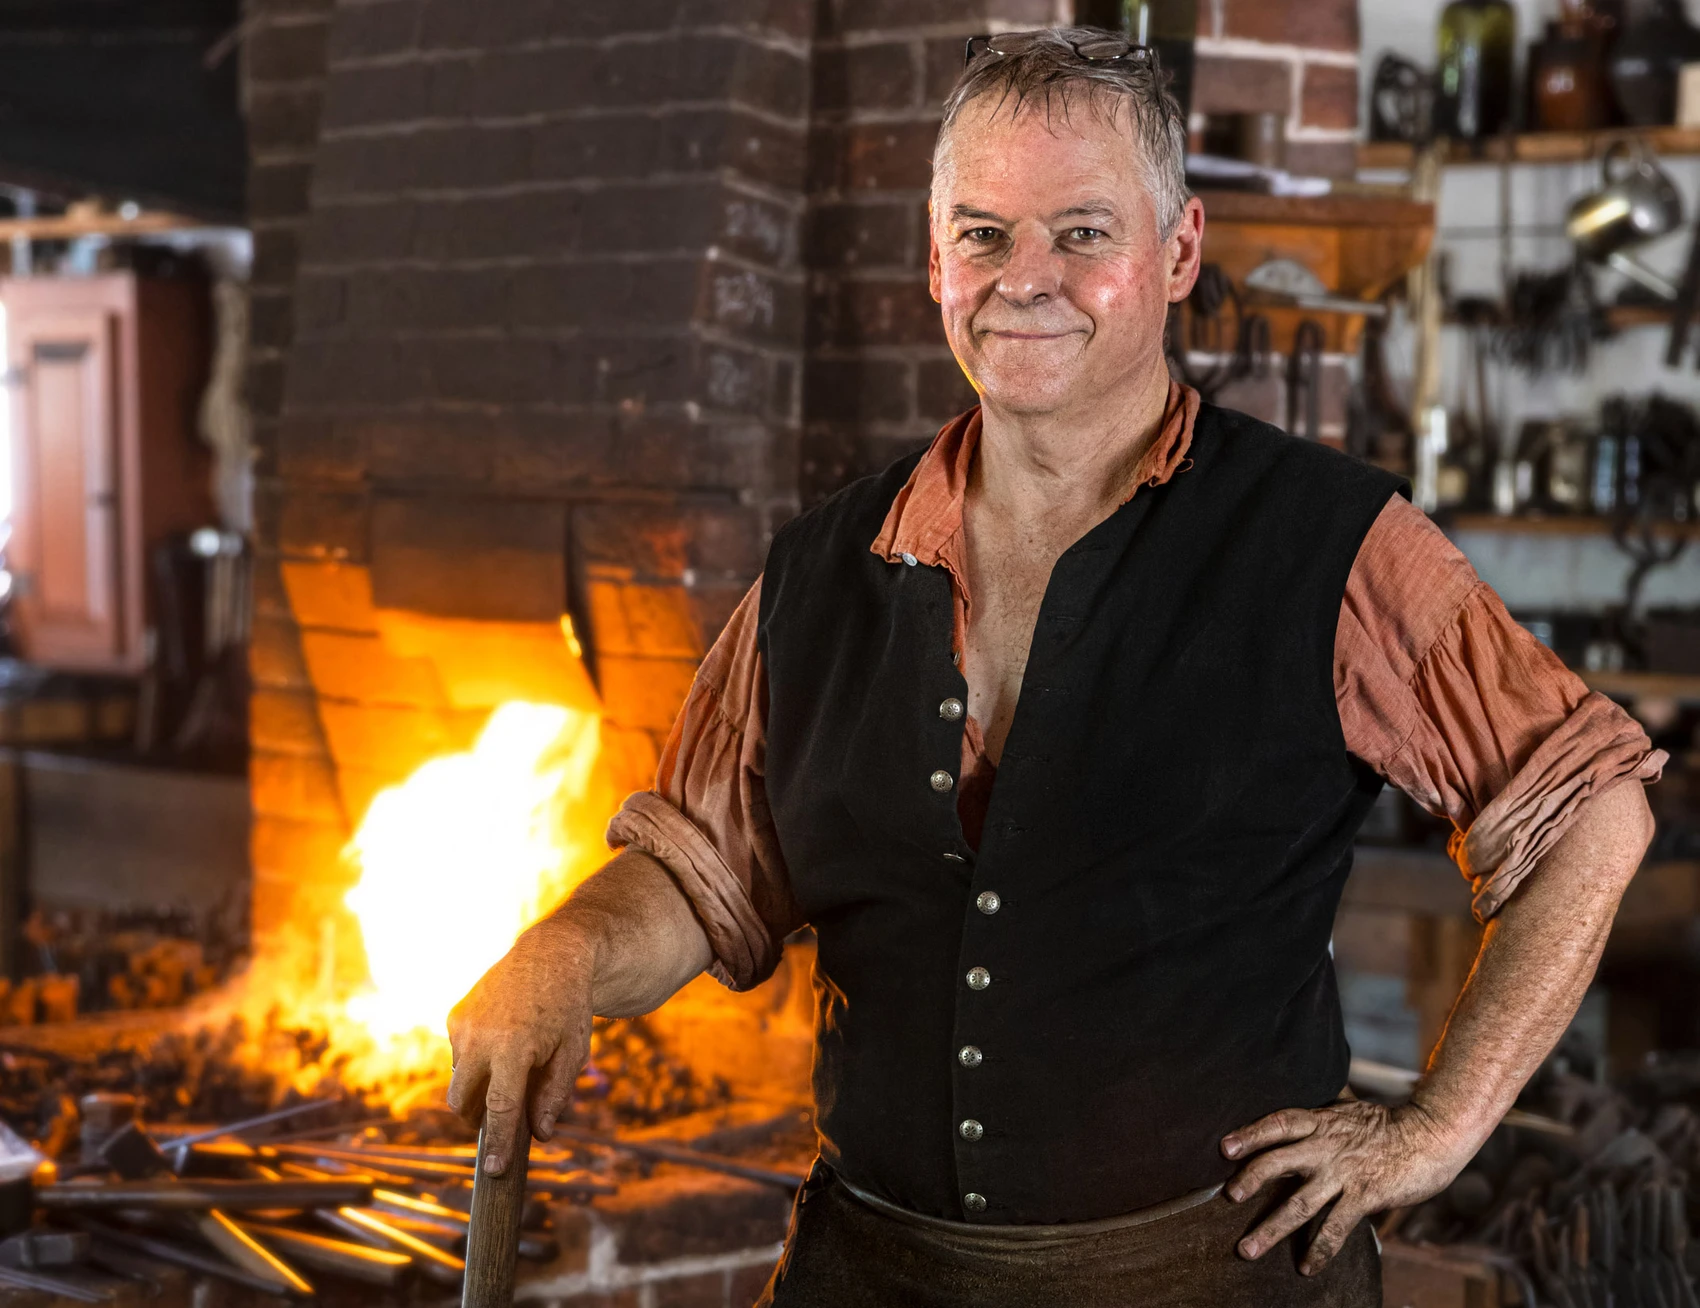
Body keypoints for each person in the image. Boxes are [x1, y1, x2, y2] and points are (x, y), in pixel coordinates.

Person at [447, 28, 1663, 1307]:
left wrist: (1436, 1126)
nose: (1023, 279)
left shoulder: (1331, 543)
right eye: (982, 235)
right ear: (934, 262)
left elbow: (1591, 808)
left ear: (1177, 251)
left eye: (1081, 234)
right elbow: (701, 880)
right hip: (874, 1276)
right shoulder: (819, 570)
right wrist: (564, 955)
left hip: (1209, 1283)